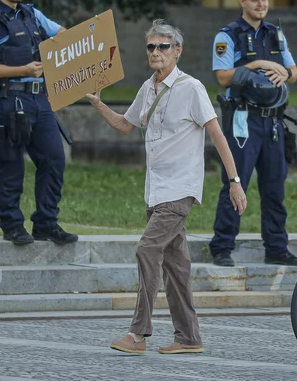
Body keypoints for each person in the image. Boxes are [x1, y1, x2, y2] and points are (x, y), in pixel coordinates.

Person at [87, 19, 247, 355]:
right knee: (176, 268)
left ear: (177, 51)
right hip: (155, 191)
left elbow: (217, 135)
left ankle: (138, 334)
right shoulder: (148, 88)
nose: (156, 52)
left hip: (179, 191)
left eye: (163, 46)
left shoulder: (191, 88)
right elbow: (125, 125)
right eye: (151, 47)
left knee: (147, 249)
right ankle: (189, 338)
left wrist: (234, 182)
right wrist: (98, 103)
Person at [0, 0, 78, 246]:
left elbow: (64, 35)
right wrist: (24, 70)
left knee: (54, 158)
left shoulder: (33, 14)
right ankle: (12, 224)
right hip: (10, 100)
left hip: (40, 99)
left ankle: (46, 222)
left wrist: (85, 50)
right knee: (11, 164)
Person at [209, 0, 297, 267]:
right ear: (242, 2)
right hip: (242, 120)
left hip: (273, 122)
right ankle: (222, 247)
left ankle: (276, 248)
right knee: (235, 183)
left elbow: (294, 71)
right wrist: (258, 64)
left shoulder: (276, 34)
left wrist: (285, 75)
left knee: (275, 187)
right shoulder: (227, 35)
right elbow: (223, 77)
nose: (260, 4)